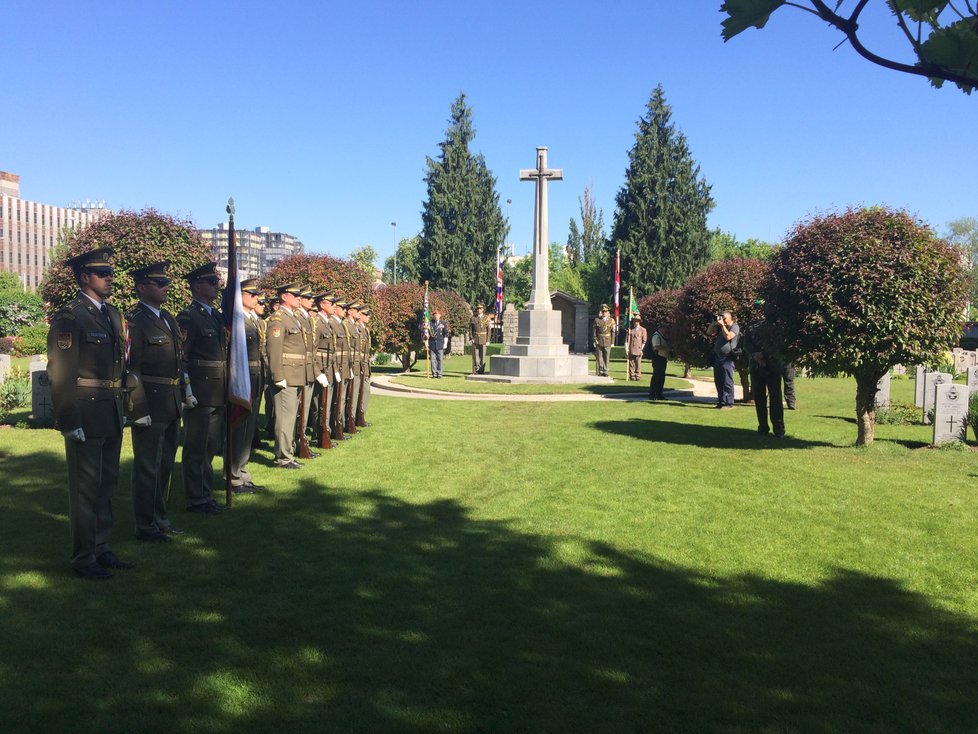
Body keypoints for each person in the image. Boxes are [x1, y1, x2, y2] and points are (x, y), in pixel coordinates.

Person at [47, 247, 134, 579]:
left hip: (110, 410)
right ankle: (84, 558)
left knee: (106, 484)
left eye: (110, 273)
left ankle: (101, 546)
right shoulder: (71, 316)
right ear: (84, 277)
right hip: (85, 412)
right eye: (103, 273)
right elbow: (60, 370)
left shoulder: (111, 315)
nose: (110, 278)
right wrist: (68, 420)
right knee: (85, 488)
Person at [127, 261, 186, 543]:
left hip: (171, 402)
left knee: (165, 466)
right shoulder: (135, 322)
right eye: (159, 284)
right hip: (150, 403)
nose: (165, 288)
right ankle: (145, 524)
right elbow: (131, 369)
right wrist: (137, 408)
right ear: (141, 288)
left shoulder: (168, 319)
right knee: (147, 467)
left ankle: (160, 518)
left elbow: (178, 362)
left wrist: (185, 392)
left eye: (166, 283)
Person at [178, 262, 227, 513]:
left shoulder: (215, 315)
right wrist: (187, 390)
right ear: (197, 286)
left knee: (209, 447)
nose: (216, 285)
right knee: (196, 447)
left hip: (217, 391)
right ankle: (195, 497)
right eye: (211, 282)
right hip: (200, 390)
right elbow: (182, 358)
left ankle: (206, 494)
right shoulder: (189, 317)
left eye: (216, 281)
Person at [227, 278, 267, 492]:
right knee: (239, 428)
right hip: (243, 379)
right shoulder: (237, 320)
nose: (257, 298)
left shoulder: (253, 320)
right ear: (240, 296)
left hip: (255, 378)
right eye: (252, 295)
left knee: (249, 431)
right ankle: (232, 475)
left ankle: (242, 471)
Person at [265, 282, 307, 468]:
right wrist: (277, 375)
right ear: (284, 296)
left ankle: (287, 453)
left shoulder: (293, 318)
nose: (299, 298)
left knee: (290, 417)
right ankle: (283, 457)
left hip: (295, 374)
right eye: (295, 294)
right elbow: (274, 349)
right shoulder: (279, 319)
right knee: (284, 418)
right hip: (286, 376)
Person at [742, 316, 786, 437]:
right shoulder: (751, 325)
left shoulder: (775, 323)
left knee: (775, 397)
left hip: (773, 365)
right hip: (756, 366)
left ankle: (778, 429)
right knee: (759, 398)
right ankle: (762, 427)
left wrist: (764, 354)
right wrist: (756, 355)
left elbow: (778, 343)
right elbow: (746, 344)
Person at [710, 310, 740, 410]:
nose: (723, 320)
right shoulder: (720, 328)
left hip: (727, 357)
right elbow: (709, 332)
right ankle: (721, 402)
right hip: (718, 357)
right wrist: (714, 323)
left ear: (730, 318)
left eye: (724, 318)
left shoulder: (734, 327)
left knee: (727, 381)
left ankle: (729, 403)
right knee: (718, 381)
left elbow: (728, 337)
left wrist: (722, 326)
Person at [648, 322, 672, 401]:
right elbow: (656, 347)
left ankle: (659, 394)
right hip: (658, 358)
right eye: (666, 328)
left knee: (661, 377)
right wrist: (666, 348)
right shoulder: (656, 335)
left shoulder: (662, 336)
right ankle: (652, 394)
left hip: (662, 358)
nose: (667, 330)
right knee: (656, 377)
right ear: (662, 328)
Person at [592, 304, 616, 377]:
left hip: (608, 341)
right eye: (603, 311)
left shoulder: (611, 320)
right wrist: (595, 339)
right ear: (601, 312)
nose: (604, 313)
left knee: (606, 357)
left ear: (607, 312)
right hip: (599, 341)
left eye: (605, 311)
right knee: (599, 357)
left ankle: (605, 371)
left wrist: (612, 342)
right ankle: (600, 370)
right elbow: (594, 331)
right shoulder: (597, 320)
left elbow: (613, 332)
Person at [469, 303, 491, 374]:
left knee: (483, 355)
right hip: (475, 338)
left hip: (483, 339)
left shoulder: (486, 318)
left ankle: (482, 369)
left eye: (480, 308)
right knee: (476, 355)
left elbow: (489, 330)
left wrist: (488, 340)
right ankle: (477, 369)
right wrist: (471, 338)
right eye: (478, 308)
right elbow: (470, 329)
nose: (479, 310)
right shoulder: (473, 318)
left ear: (483, 309)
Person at [429, 308, 449, 378]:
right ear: (433, 316)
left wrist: (445, 343)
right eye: (435, 315)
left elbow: (445, 334)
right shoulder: (430, 323)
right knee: (433, 360)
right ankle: (434, 373)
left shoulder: (443, 323)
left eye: (437, 315)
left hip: (440, 343)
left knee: (440, 359)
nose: (436, 316)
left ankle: (440, 373)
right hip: (432, 343)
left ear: (440, 315)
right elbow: (427, 333)